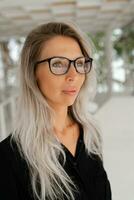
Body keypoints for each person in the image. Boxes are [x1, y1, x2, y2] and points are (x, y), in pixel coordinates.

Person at [0, 21, 112, 200]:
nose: (73, 75)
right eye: (58, 64)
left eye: (79, 63)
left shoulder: (91, 134)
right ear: (33, 72)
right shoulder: (8, 158)